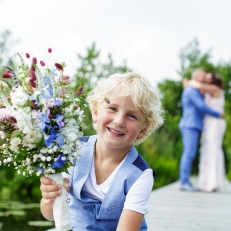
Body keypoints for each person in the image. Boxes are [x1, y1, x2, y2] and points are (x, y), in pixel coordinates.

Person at [40, 72, 164, 230]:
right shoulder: (73, 150)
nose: (119, 121)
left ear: (143, 130)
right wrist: (49, 198)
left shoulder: (140, 175)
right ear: (96, 112)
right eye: (112, 108)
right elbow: (50, 215)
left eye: (131, 116)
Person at [179, 68, 223, 191]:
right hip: (189, 125)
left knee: (190, 153)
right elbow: (201, 106)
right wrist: (218, 114)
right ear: (197, 77)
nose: (204, 78)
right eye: (203, 76)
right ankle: (184, 182)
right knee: (189, 153)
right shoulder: (191, 90)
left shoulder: (195, 89)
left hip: (194, 125)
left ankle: (185, 181)